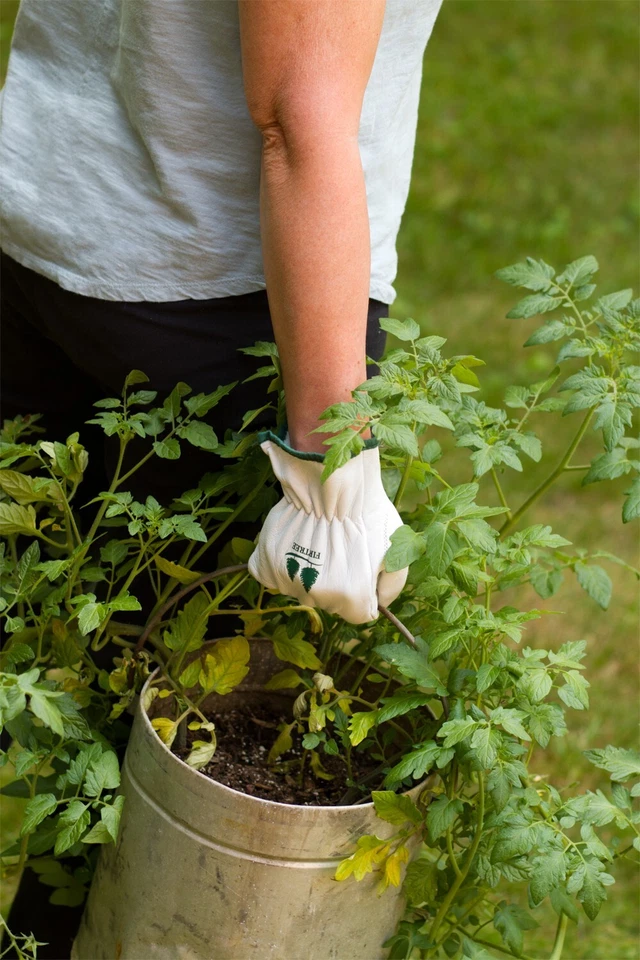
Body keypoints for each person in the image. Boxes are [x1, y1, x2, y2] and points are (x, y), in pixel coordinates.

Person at [0, 0, 444, 954]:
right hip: (219, 295)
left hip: (48, 211)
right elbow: (296, 109)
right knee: (166, 812)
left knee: (72, 716)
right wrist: (329, 474)